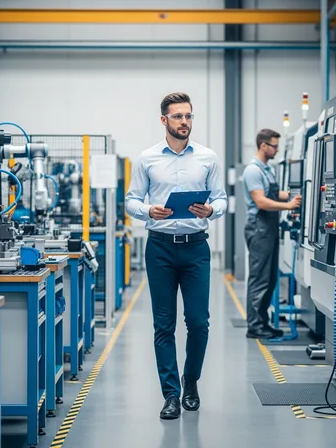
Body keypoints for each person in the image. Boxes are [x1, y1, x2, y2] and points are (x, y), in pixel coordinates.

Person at [125, 92, 227, 420]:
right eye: (178, 116)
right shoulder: (147, 159)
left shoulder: (208, 158)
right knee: (163, 325)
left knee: (199, 323)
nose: (185, 122)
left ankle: (191, 380)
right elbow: (130, 200)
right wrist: (146, 210)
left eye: (189, 116)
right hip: (160, 248)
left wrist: (211, 209)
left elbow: (223, 199)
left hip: (196, 247)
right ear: (164, 120)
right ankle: (170, 394)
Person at [242, 129, 302, 339]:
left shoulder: (267, 169)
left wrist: (298, 194)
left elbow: (275, 194)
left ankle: (262, 323)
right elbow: (261, 201)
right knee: (259, 278)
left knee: (269, 278)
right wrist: (288, 206)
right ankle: (255, 326)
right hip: (259, 227)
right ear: (263, 145)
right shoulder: (253, 170)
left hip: (269, 228)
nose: (276, 149)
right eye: (274, 146)